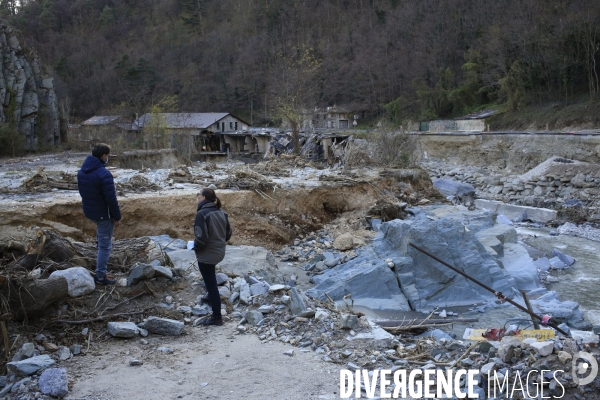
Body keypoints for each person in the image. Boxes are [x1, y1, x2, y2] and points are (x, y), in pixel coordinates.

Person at [77, 143, 122, 285]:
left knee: (101, 239)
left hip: (91, 212)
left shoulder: (82, 172)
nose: (108, 158)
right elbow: (111, 199)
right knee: (105, 246)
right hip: (104, 214)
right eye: (108, 156)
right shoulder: (104, 174)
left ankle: (100, 266)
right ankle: (101, 277)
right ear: (103, 156)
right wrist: (117, 216)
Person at [193, 188, 232, 326]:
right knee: (211, 280)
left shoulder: (201, 214)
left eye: (198, 195)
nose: (196, 197)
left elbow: (201, 238)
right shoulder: (222, 212)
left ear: (203, 198)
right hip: (219, 252)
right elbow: (228, 234)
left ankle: (216, 317)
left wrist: (195, 246)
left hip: (207, 254)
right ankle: (211, 300)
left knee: (211, 285)